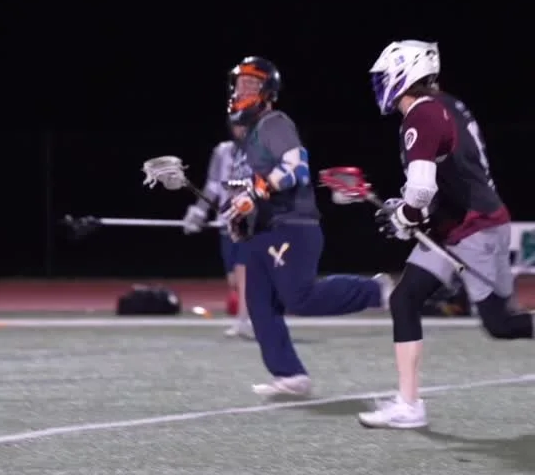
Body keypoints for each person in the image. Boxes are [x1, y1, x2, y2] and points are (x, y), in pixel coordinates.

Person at [358, 39, 533, 430]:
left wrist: (406, 215)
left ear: (407, 73)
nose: (381, 85)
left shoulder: (421, 114)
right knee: (405, 298)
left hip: (476, 228)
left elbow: (421, 190)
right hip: (455, 226)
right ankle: (409, 405)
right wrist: (410, 213)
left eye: (386, 76)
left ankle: (408, 404)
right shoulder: (446, 104)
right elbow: (444, 178)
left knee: (501, 324)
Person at [223, 55, 391, 398]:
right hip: (263, 230)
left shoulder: (273, 122)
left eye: (252, 84)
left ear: (268, 90)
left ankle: (377, 291)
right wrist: (240, 215)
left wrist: (256, 193)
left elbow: (296, 167)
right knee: (260, 306)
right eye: (240, 84)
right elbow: (251, 191)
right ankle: (290, 375)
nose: (243, 91)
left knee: (299, 298)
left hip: (291, 224)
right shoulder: (249, 137)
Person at [183, 127, 255, 338]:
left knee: (244, 273)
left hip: (250, 221)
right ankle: (247, 318)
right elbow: (212, 186)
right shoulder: (221, 151)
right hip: (225, 221)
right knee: (233, 279)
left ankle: (245, 321)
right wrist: (198, 212)